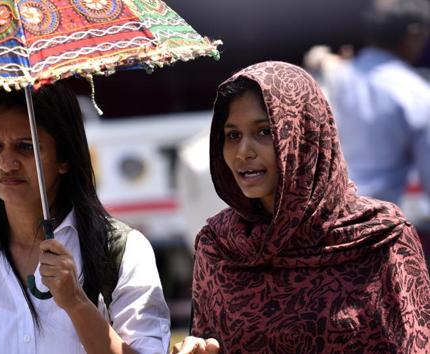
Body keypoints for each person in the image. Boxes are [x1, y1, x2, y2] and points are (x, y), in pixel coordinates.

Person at [171, 61, 430, 354]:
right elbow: (207, 342)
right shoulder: (220, 246)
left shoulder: (380, 237)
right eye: (233, 135)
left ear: (305, 135)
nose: (243, 151)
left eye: (264, 132)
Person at [0, 82, 171, 354]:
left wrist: (77, 302)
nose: (6, 163)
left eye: (26, 147)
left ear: (64, 157)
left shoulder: (121, 250)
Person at [322, 0, 430, 206]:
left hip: (325, 211)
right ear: (414, 34)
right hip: (381, 220)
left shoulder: (333, 77)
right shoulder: (417, 94)